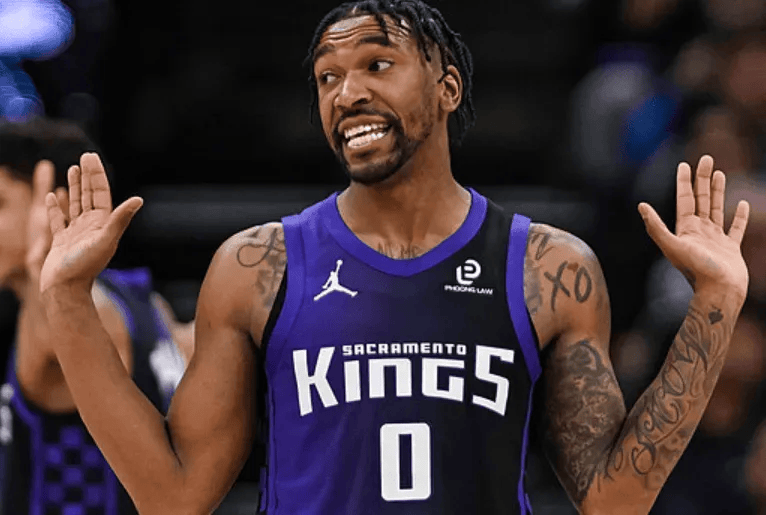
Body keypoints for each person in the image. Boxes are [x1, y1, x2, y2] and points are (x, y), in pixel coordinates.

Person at [36, 1, 751, 514]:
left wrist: (714, 307)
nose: (348, 93)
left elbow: (615, 499)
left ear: (447, 88)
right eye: (327, 78)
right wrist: (67, 300)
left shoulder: (548, 268)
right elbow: (171, 496)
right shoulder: (257, 265)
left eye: (377, 64)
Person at [0, 117, 190, 514]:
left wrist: (49, 274)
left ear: (57, 205)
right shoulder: (139, 298)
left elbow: (62, 325)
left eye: (0, 203)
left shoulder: (60, 318)